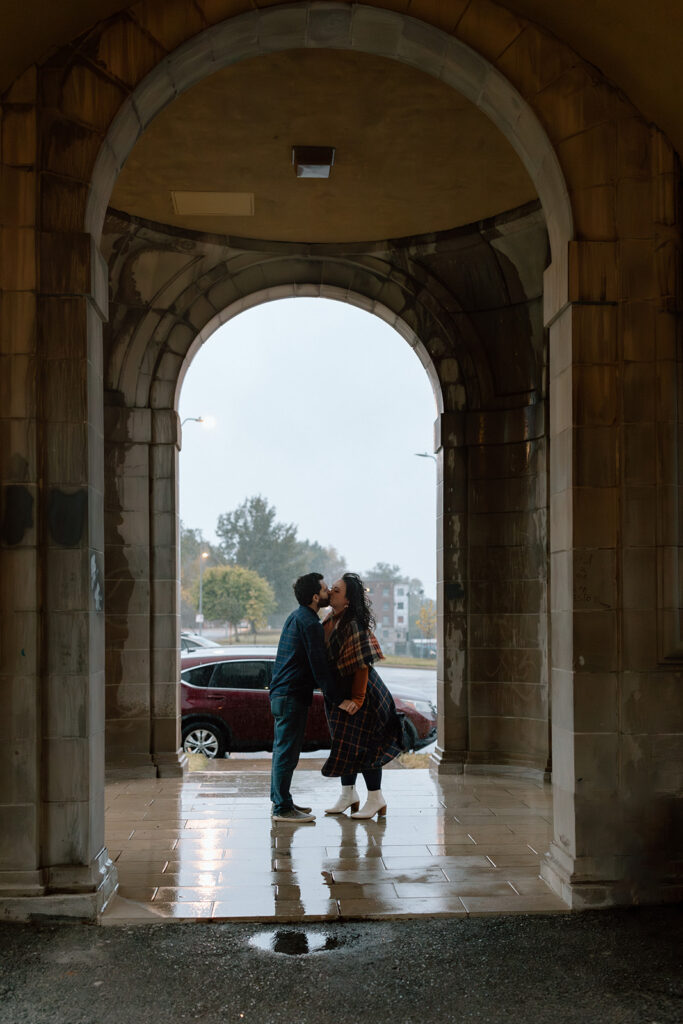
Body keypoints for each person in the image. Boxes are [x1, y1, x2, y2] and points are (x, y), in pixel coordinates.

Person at [322, 572, 404, 819]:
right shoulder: (331, 619)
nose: (330, 591)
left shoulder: (353, 624)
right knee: (344, 744)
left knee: (367, 746)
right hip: (341, 692)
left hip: (364, 694)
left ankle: (376, 798)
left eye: (336, 590)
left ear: (347, 600)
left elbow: (362, 665)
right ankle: (348, 795)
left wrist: (357, 699)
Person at [269, 572, 341, 823]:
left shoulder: (296, 617)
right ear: (314, 597)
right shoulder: (310, 623)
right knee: (287, 753)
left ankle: (282, 801)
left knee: (282, 751)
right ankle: (281, 809)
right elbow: (318, 665)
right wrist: (337, 697)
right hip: (291, 694)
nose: (327, 593)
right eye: (324, 590)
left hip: (282, 692)